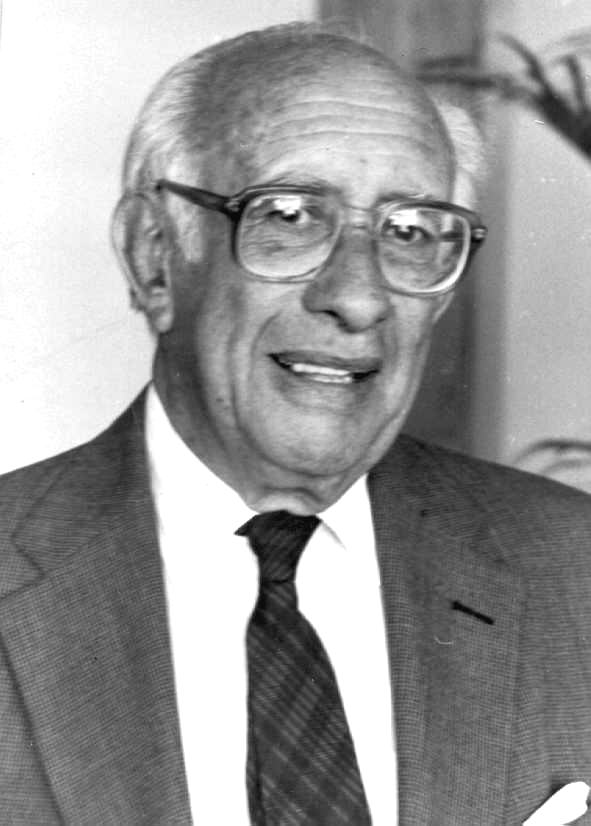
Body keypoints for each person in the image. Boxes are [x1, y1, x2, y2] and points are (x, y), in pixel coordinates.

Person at [1, 22, 591, 826]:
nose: (358, 297)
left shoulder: (574, 574)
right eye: (289, 216)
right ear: (153, 256)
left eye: (409, 233)